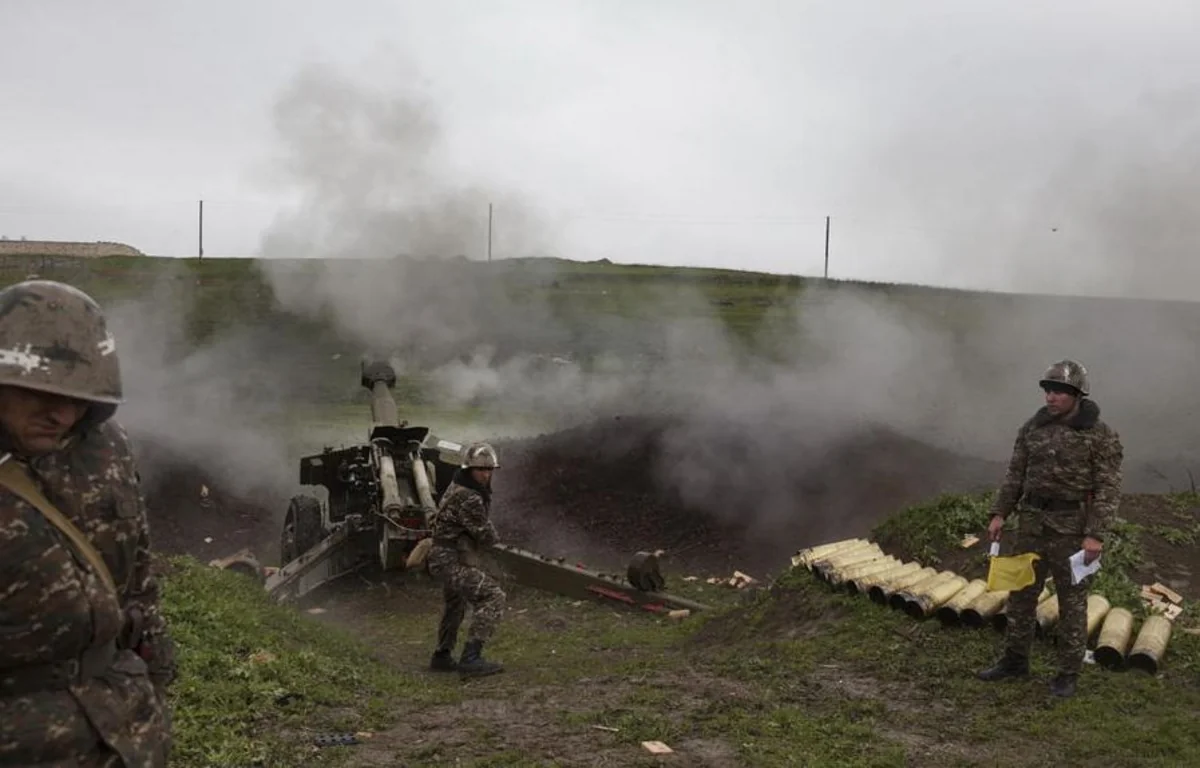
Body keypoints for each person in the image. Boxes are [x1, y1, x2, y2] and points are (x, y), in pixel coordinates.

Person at [0, 280, 175, 766]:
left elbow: (137, 575)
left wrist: (156, 682)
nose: (62, 414)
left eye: (80, 397)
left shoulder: (106, 448)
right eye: (41, 392)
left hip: (125, 732)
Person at [977, 359, 1123, 698]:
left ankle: (1068, 673)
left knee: (1072, 603)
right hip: (1031, 524)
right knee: (1020, 595)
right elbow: (1015, 475)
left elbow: (1108, 488)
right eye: (1048, 390)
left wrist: (1096, 534)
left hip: (1072, 530)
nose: (1051, 397)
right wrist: (999, 513)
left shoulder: (1099, 434)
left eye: (1059, 392)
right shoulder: (1033, 428)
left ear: (1077, 395)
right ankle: (1015, 661)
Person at [425, 441, 506, 680]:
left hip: (444, 557)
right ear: (469, 469)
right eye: (481, 469)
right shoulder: (469, 497)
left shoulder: (457, 486)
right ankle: (471, 658)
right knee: (493, 596)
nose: (486, 475)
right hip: (450, 560)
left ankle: (442, 655)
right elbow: (485, 535)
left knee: (456, 603)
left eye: (489, 470)